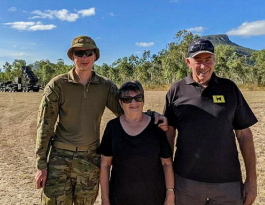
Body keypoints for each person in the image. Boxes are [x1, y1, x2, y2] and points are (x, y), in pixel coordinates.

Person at [34, 35, 167, 205]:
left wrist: (153, 115)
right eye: (79, 53)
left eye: (89, 53)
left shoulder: (105, 86)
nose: (84, 57)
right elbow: (45, 126)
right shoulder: (57, 85)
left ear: (95, 56)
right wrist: (41, 165)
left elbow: (127, 109)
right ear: (72, 56)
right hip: (59, 158)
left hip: (89, 159)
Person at [163, 39, 258, 205]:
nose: (203, 66)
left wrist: (252, 180)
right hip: (186, 183)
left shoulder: (229, 88)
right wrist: (167, 180)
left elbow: (244, 135)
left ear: (215, 60)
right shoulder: (176, 91)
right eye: (198, 60)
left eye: (208, 60)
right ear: (188, 62)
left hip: (227, 184)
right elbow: (169, 134)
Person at [97, 81, 175, 205]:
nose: (133, 103)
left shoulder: (156, 127)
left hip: (154, 197)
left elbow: (167, 163)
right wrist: (105, 199)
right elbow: (105, 165)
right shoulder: (112, 127)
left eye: (138, 98)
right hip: (120, 197)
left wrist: (170, 193)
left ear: (143, 100)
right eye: (127, 99)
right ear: (120, 102)